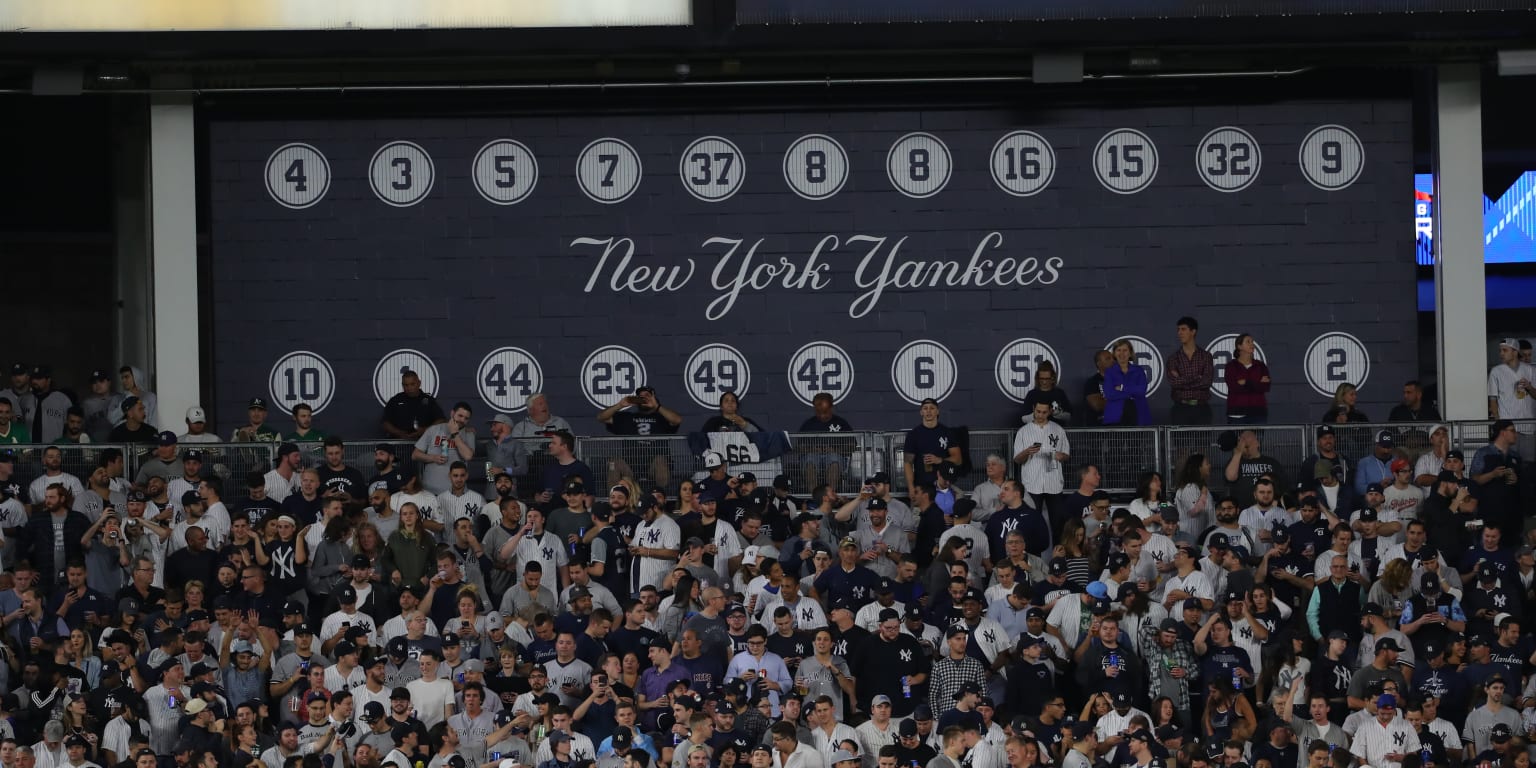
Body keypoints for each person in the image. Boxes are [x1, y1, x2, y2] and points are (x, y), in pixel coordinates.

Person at [1012, 402, 1070, 524]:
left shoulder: (1058, 430)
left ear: (1049, 412)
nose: (1040, 415)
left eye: (1044, 412)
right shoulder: (1023, 431)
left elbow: (1066, 455)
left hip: (1053, 481)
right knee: (1031, 521)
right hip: (1032, 483)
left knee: (1057, 522)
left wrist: (1061, 456)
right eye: (1038, 411)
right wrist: (1027, 452)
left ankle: (1057, 544)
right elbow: (1017, 460)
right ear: (1033, 409)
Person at [412, 402, 477, 496]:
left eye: (466, 418)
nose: (462, 420)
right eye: (460, 415)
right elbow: (415, 455)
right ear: (452, 413)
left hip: (456, 492)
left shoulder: (469, 434)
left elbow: (468, 456)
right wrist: (433, 458)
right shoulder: (434, 430)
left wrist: (455, 433)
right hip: (430, 491)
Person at [1488, 338, 1536, 458]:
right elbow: (1493, 401)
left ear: (1515, 352)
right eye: (1500, 351)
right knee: (1508, 463)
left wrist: (1529, 387)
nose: (1501, 354)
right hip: (1507, 427)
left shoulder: (1530, 370)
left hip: (1528, 426)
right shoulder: (1496, 371)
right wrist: (1500, 425)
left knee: (1528, 464)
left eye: (1505, 350)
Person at [1165, 317, 1216, 425]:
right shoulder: (1173, 358)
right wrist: (1197, 378)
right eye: (1178, 330)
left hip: (1201, 408)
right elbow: (1174, 382)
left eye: (1183, 329)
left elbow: (1206, 382)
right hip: (1180, 409)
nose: (1179, 333)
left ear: (1193, 332)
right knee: (1181, 441)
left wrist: (1182, 380)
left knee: (1202, 441)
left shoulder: (1206, 356)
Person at [382, 370, 446, 441]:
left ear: (419, 383)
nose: (409, 388)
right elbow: (385, 423)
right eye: (406, 385)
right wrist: (399, 433)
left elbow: (441, 420)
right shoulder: (395, 400)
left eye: (412, 384)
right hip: (399, 444)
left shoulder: (429, 400)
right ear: (402, 385)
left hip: (425, 444)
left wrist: (425, 430)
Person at [1223, 333, 1270, 424]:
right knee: (1237, 438)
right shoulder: (1231, 366)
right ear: (1239, 346)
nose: (1252, 344)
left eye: (1252, 342)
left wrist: (1245, 382)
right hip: (1236, 412)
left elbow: (1265, 387)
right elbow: (1234, 387)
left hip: (1258, 413)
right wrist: (1257, 382)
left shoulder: (1260, 365)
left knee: (1257, 438)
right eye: (1248, 342)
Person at [1103, 339, 1151, 426]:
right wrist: (1132, 393)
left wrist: (1122, 388)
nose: (1122, 353)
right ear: (1114, 353)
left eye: (1125, 350)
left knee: (1137, 439)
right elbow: (1110, 394)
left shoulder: (1139, 371)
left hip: (1138, 413)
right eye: (1118, 350)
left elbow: (1141, 391)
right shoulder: (1109, 372)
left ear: (1130, 353)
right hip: (1116, 415)